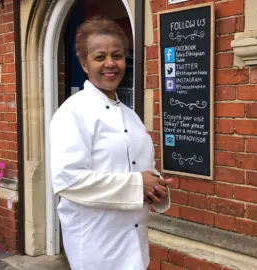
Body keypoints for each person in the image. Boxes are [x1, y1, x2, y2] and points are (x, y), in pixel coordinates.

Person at [50, 17, 172, 270]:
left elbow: (139, 169)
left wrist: (155, 186)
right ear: (84, 64)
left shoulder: (131, 116)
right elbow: (68, 179)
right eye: (99, 57)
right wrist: (139, 184)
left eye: (117, 56)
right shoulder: (73, 112)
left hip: (135, 244)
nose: (110, 64)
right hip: (97, 245)